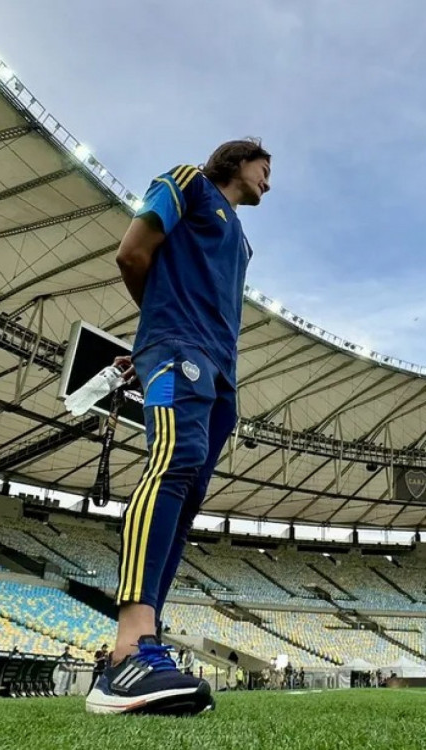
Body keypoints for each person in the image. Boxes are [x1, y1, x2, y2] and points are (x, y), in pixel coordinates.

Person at [84, 139, 272, 717]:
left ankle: (146, 650)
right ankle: (128, 649)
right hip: (174, 354)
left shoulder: (241, 238)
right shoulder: (188, 180)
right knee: (169, 465)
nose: (271, 179)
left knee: (188, 492)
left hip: (220, 374)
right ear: (239, 162)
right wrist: (156, 337)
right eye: (267, 167)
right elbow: (132, 254)